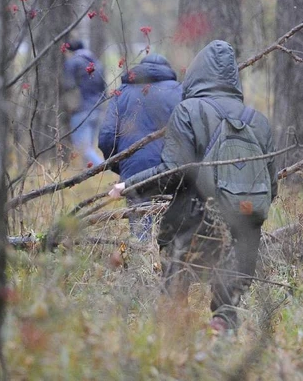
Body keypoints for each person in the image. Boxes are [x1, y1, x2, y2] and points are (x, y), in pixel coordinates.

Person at [108, 40, 276, 334]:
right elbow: (271, 187)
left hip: (194, 223)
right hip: (246, 228)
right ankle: (221, 342)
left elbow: (174, 172)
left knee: (174, 299)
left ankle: (175, 351)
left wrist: (128, 185)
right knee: (227, 309)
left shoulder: (188, 111)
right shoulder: (258, 121)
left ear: (197, 73)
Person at [98, 54, 182, 240]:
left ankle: (141, 266)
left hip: (134, 173)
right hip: (171, 171)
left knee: (140, 235)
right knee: (170, 232)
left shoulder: (122, 92)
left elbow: (106, 137)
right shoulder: (180, 91)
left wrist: (122, 166)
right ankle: (166, 265)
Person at [61, 40, 106, 168]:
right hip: (97, 109)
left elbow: (68, 84)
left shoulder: (73, 62)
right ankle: (91, 176)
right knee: (90, 147)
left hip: (81, 110)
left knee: (83, 148)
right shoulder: (96, 63)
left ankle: (103, 168)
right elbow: (104, 87)